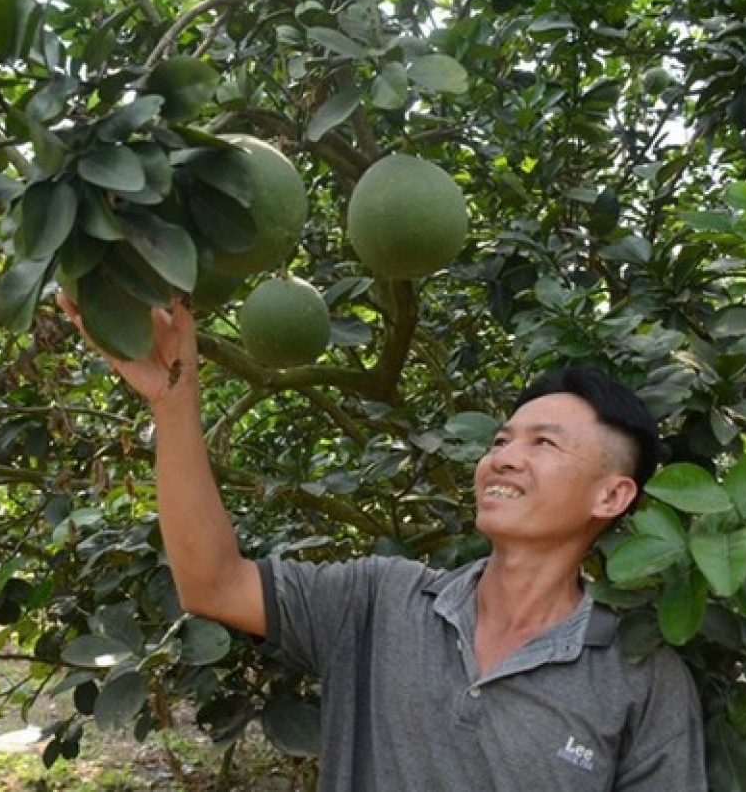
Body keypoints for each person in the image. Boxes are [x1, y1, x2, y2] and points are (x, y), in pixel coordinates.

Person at [59, 295, 707, 791]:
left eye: (544, 443)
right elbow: (212, 582)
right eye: (502, 440)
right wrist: (175, 400)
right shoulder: (381, 603)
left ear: (611, 496)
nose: (505, 458)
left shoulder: (639, 678)